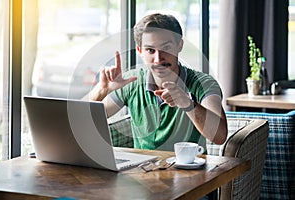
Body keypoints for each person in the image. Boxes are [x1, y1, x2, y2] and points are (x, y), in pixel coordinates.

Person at [86, 13, 227, 151]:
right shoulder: (131, 82)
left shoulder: (204, 83)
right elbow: (82, 119)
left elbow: (220, 136)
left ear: (179, 45)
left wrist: (188, 104)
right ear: (140, 51)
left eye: (166, 48)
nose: (158, 59)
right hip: (142, 171)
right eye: (150, 50)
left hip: (190, 172)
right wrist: (101, 90)